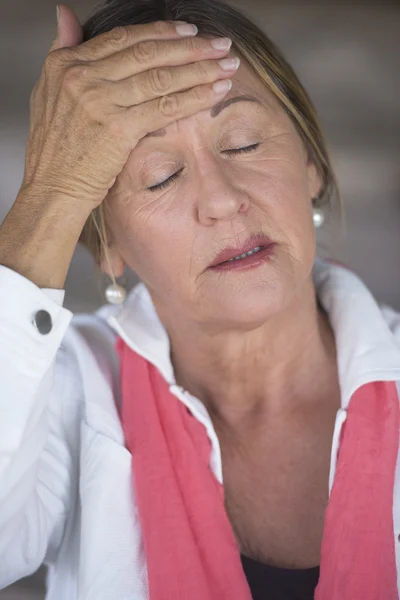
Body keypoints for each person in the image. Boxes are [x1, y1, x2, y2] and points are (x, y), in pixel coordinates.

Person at [0, 1, 399, 599]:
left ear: (311, 165)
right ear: (109, 250)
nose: (220, 199)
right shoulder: (67, 396)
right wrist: (52, 191)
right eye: (159, 176)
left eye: (241, 143)